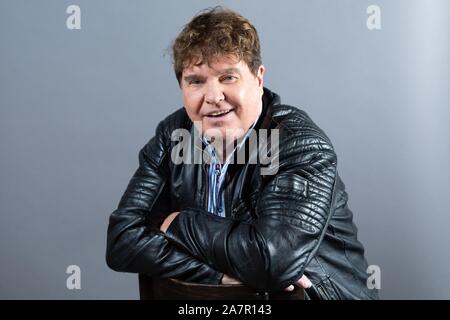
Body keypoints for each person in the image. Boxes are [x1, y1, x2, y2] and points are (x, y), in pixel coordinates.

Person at [106, 6, 379, 300]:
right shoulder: (173, 135)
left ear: (258, 78)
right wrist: (218, 275)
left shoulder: (299, 145)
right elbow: (122, 240)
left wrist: (178, 223)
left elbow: (273, 262)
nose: (212, 97)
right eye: (196, 81)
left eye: (227, 78)